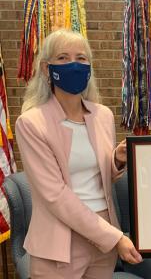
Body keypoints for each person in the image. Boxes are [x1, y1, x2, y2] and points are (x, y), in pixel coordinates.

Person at [15, 29, 142, 279]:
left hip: (103, 236)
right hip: (59, 241)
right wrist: (114, 237)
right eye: (63, 57)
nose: (74, 64)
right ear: (45, 69)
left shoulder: (102, 115)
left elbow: (99, 179)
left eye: (81, 58)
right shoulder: (31, 123)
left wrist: (116, 160)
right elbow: (55, 195)